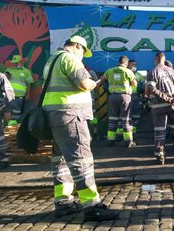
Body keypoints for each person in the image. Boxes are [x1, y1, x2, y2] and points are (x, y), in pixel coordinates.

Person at [42, 35, 118, 221]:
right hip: (71, 114)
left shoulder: (52, 60)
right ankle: (92, 206)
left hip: (55, 114)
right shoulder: (70, 58)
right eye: (83, 51)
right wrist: (95, 82)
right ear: (77, 46)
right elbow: (85, 84)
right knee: (80, 158)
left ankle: (63, 203)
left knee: (60, 161)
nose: (83, 56)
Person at [145, 52, 174, 164]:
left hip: (158, 106)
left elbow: (151, 88)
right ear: (164, 59)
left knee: (160, 130)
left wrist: (165, 98)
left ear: (156, 59)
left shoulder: (153, 72)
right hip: (173, 106)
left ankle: (160, 155)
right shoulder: (173, 71)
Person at [101, 56, 137, 148]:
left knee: (113, 118)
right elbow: (134, 84)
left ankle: (110, 140)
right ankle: (128, 141)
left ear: (118, 62)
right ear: (126, 63)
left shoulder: (110, 71)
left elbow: (102, 80)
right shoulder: (128, 71)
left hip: (112, 96)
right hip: (125, 96)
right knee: (126, 118)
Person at [5, 55, 34, 124]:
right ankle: (8, 128)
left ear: (21, 62)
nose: (14, 64)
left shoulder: (26, 71)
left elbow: (29, 84)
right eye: (14, 62)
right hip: (9, 95)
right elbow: (4, 81)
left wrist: (28, 95)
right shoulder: (8, 70)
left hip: (19, 96)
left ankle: (15, 129)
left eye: (16, 62)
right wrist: (7, 77)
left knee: (16, 113)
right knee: (8, 112)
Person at [128, 59, 145, 136]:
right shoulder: (125, 73)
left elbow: (143, 86)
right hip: (127, 96)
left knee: (136, 116)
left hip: (136, 97)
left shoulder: (139, 75)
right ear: (128, 65)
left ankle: (133, 132)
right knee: (126, 115)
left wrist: (142, 92)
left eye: (135, 64)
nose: (134, 66)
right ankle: (121, 133)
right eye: (132, 64)